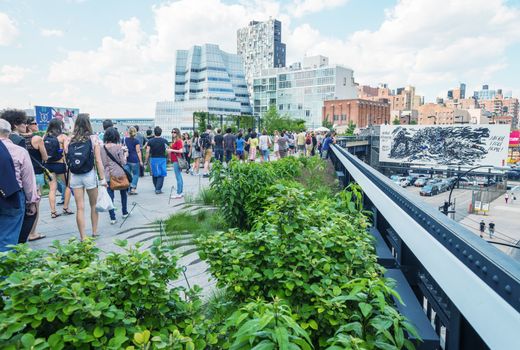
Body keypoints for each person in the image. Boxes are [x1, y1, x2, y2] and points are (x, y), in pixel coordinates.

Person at [0, 119, 39, 252]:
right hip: (12, 196)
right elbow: (28, 180)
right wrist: (31, 201)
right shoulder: (19, 151)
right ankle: (6, 270)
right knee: (8, 238)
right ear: (9, 133)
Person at [65, 114, 106, 241]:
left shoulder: (69, 139)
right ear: (89, 123)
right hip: (89, 175)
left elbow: (67, 160)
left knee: (79, 207)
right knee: (93, 205)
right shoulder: (94, 138)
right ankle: (94, 231)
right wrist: (102, 179)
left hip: (75, 175)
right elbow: (98, 161)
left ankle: (83, 236)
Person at [21, 117, 48, 242]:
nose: (37, 125)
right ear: (28, 125)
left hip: (21, 174)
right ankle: (32, 232)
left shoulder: (16, 139)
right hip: (35, 173)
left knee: (23, 203)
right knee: (35, 203)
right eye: (34, 123)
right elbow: (45, 156)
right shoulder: (37, 139)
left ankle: (22, 231)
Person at [44, 118, 73, 218]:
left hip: (48, 165)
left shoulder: (45, 136)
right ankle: (66, 208)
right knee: (68, 185)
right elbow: (66, 150)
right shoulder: (62, 137)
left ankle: (53, 212)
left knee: (52, 189)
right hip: (59, 164)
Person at [100, 127, 129, 225]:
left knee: (110, 196)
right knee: (123, 193)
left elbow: (103, 163)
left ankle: (113, 218)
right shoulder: (118, 147)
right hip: (120, 173)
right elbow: (123, 162)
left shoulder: (102, 148)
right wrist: (125, 155)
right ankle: (124, 212)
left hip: (108, 174)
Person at [145, 126, 169, 194]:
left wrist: (146, 160)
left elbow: (147, 151)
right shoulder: (164, 141)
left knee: (154, 173)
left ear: (154, 132)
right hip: (162, 158)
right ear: (161, 133)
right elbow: (168, 151)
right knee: (161, 174)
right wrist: (168, 158)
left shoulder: (150, 141)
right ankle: (158, 189)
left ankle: (156, 187)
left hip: (153, 158)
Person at [124, 127, 143, 195]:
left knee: (128, 175)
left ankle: (128, 188)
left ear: (129, 132)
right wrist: (140, 161)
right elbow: (138, 151)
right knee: (136, 174)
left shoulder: (125, 139)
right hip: (135, 160)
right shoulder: (136, 141)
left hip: (127, 159)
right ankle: (133, 188)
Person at [170, 128, 185, 199]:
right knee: (179, 177)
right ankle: (181, 192)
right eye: (172, 132)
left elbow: (181, 151)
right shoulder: (175, 141)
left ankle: (179, 193)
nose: (173, 133)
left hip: (176, 160)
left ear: (177, 133)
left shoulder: (178, 141)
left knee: (178, 177)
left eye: (174, 132)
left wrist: (171, 150)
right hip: (175, 160)